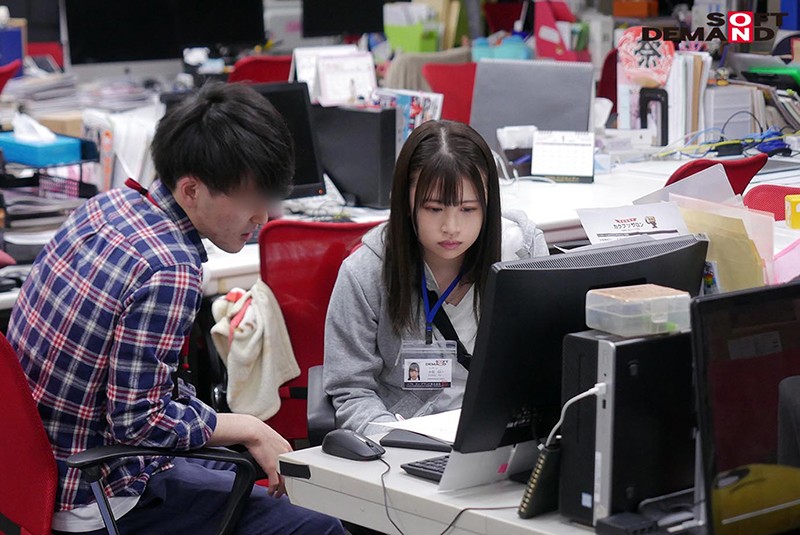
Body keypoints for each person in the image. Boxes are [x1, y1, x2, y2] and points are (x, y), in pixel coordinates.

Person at [7, 83, 343, 535]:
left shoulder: (109, 205)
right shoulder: (169, 268)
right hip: (101, 493)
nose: (262, 217)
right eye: (250, 201)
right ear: (191, 190)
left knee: (245, 471)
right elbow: (139, 422)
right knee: (318, 524)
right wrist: (248, 427)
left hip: (39, 472)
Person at [323, 120, 549, 436]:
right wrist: (396, 441)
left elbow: (547, 359)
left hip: (506, 431)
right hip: (408, 439)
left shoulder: (521, 253)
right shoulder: (365, 273)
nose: (451, 227)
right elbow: (352, 389)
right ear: (405, 202)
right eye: (434, 209)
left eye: (468, 209)